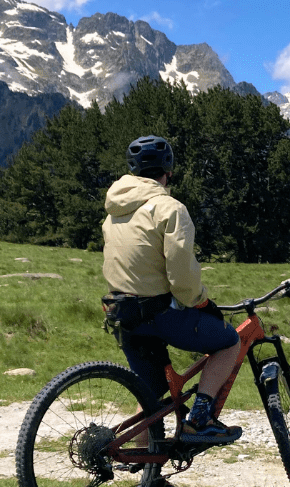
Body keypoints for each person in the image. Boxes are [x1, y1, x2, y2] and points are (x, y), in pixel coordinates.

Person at [102, 135, 242, 444]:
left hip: (121, 314)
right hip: (158, 313)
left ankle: (144, 470)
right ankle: (201, 419)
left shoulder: (114, 210)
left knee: (151, 392)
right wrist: (202, 303)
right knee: (230, 342)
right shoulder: (170, 208)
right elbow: (181, 276)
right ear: (169, 171)